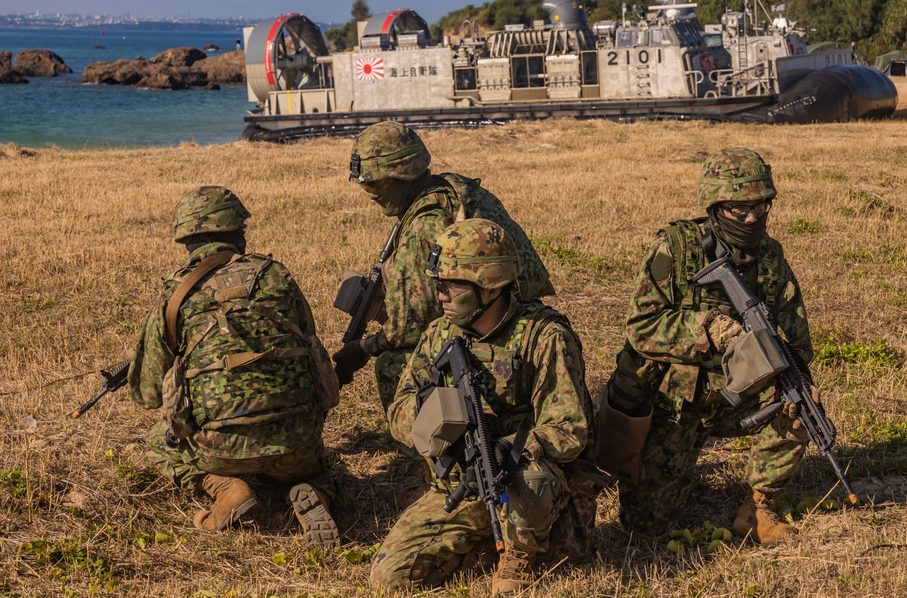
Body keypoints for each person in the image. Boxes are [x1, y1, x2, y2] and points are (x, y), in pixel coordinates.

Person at [595, 148, 814, 543]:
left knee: (800, 405)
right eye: (739, 208)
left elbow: (798, 340)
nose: (752, 218)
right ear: (714, 206)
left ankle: (759, 506)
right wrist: (708, 327)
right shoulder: (676, 250)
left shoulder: (770, 258)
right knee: (644, 526)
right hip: (675, 407)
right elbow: (640, 327)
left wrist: (791, 374)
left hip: (742, 396)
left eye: (761, 206)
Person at [370, 219, 599, 595]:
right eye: (439, 285)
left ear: (491, 286)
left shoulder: (544, 337)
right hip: (460, 480)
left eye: (453, 285)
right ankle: (482, 543)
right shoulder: (440, 335)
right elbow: (398, 413)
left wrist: (510, 447)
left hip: (523, 481)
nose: (441, 295)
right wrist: (441, 416)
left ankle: (519, 554)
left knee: (532, 478)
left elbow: (569, 428)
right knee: (390, 578)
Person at [127, 186, 340, 548]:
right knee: (318, 469)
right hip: (296, 440)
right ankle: (314, 491)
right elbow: (309, 338)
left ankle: (226, 487)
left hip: (219, 449)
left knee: (154, 441)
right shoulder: (276, 275)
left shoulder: (176, 293)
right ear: (234, 230)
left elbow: (147, 394)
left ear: (186, 238)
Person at [333, 121, 554, 412]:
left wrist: (361, 349)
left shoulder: (425, 224)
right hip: (518, 316)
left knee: (392, 363)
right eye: (365, 186)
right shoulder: (459, 191)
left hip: (494, 335)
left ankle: (424, 444)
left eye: (376, 184)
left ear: (405, 175)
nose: (372, 194)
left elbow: (410, 328)